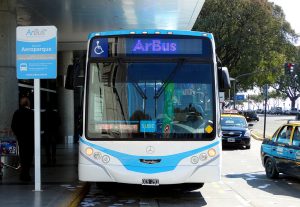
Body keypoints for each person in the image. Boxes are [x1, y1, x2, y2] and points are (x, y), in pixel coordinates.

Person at [11, 97, 34, 181]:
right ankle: (26, 174)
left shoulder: (17, 112)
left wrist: (18, 134)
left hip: (21, 138)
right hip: (30, 138)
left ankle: (23, 174)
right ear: (28, 103)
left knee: (23, 156)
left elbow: (13, 126)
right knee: (29, 156)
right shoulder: (31, 113)